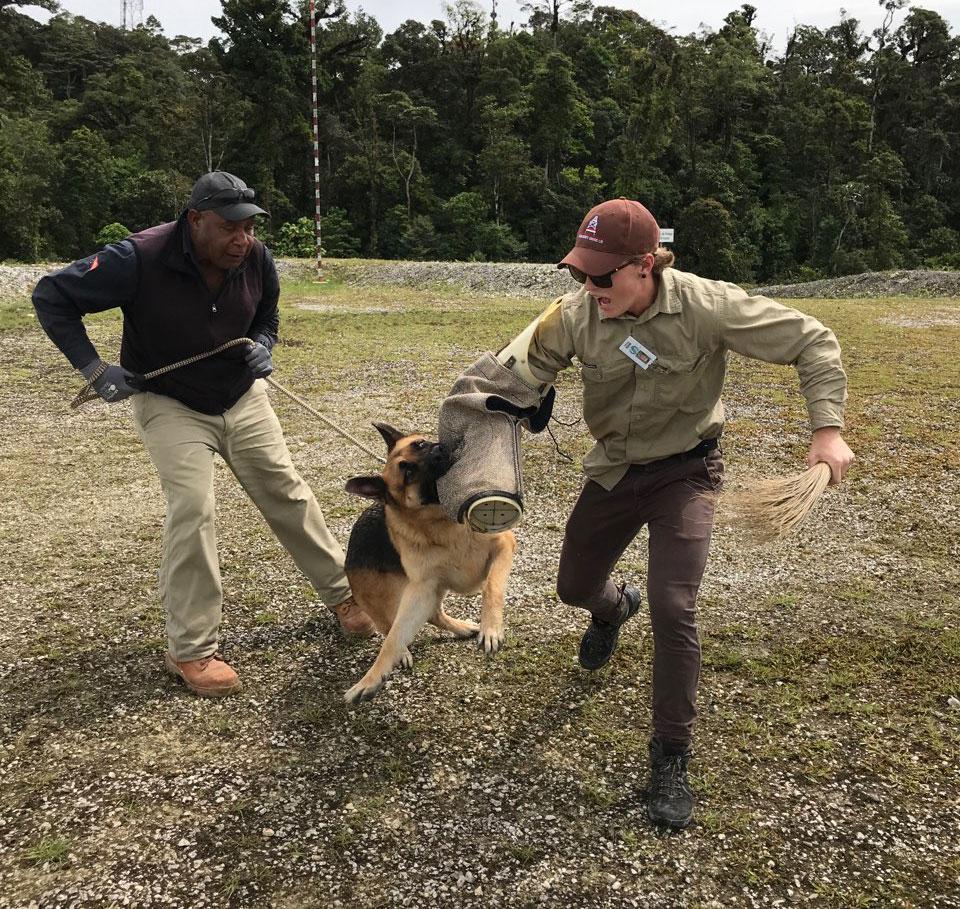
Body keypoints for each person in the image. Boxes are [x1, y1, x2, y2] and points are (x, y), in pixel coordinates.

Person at [522, 198, 854, 829]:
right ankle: (614, 609)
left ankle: (671, 754)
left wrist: (827, 431)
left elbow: (813, 340)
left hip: (686, 470)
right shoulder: (574, 315)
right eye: (578, 274)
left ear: (645, 265)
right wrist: (526, 399)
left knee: (675, 604)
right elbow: (519, 371)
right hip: (615, 471)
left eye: (601, 275)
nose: (588, 288)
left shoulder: (706, 305)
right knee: (572, 586)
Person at [32, 170, 374, 698]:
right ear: (195, 220)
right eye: (229, 228)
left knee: (287, 491)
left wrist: (263, 343)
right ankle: (190, 650)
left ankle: (344, 596)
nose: (243, 240)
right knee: (193, 508)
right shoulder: (137, 257)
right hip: (170, 402)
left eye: (250, 228)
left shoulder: (256, 258)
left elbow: (267, 314)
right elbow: (52, 295)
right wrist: (95, 369)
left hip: (240, 393)